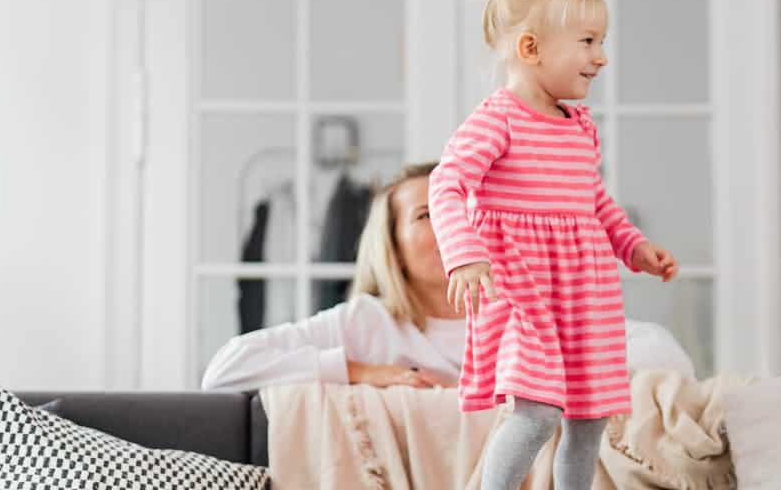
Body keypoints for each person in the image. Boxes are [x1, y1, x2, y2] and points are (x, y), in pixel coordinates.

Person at [428, 0, 680, 490]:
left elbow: (594, 199)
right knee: (536, 411)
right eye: (589, 42)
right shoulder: (499, 119)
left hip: (586, 286)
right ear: (531, 48)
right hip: (527, 285)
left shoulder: (578, 127)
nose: (602, 57)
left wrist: (634, 247)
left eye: (603, 40)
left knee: (591, 412)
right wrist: (464, 256)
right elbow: (446, 183)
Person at [199, 162, 694, 394]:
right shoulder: (365, 325)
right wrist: (368, 372)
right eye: (426, 216)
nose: (455, 228)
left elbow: (663, 357)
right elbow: (225, 371)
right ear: (389, 245)